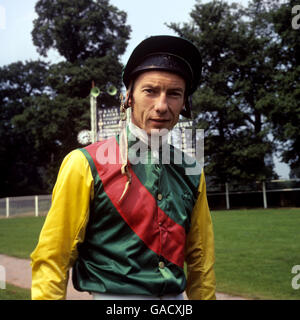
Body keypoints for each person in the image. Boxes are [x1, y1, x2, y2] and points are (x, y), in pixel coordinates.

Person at [31, 35, 216, 300]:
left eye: (174, 94)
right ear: (128, 97)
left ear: (185, 104)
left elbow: (201, 262)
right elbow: (53, 257)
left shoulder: (192, 171)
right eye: (150, 91)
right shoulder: (84, 164)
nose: (162, 106)